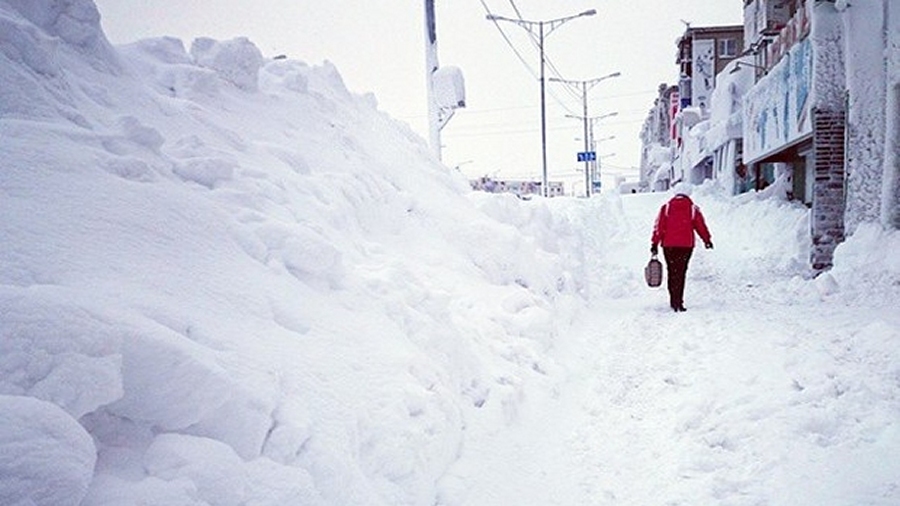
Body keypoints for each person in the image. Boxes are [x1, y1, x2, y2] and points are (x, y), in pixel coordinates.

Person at [650, 182, 713, 312]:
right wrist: (707, 240)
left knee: (672, 271)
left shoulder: (666, 208)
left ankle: (673, 301)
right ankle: (680, 301)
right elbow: (701, 226)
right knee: (681, 272)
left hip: (669, 245)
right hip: (686, 246)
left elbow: (659, 227)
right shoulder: (693, 209)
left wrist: (654, 243)